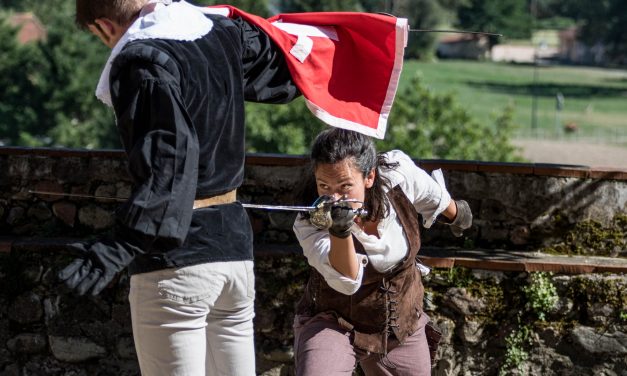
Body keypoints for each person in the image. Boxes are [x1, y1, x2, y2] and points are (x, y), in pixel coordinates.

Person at [57, 1, 299, 375]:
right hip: (234, 254)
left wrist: (117, 247)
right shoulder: (217, 33)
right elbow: (280, 62)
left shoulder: (142, 60)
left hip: (179, 264)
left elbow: (170, 162)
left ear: (104, 26)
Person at [292, 128, 472, 376]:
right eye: (324, 186)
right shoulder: (309, 222)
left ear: (370, 177)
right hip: (332, 321)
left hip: (399, 324)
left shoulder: (398, 175)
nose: (334, 197)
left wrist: (457, 215)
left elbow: (435, 198)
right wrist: (340, 231)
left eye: (345, 186)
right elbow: (347, 282)